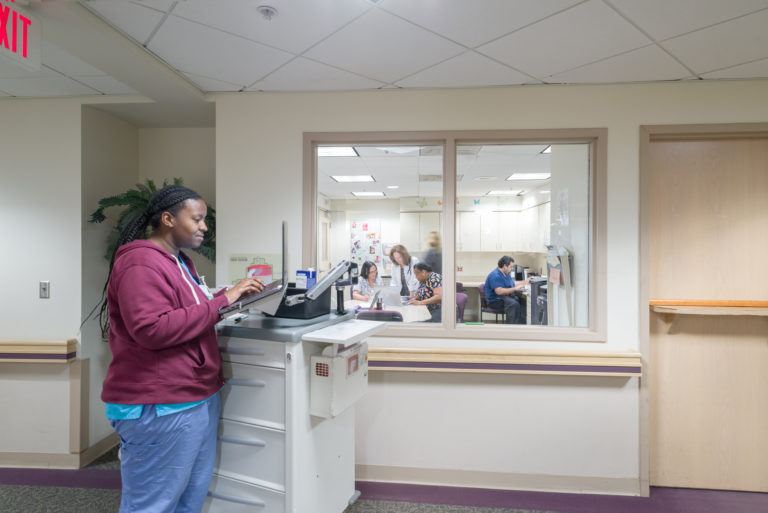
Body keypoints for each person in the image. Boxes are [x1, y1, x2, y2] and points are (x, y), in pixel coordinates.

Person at [98, 185, 265, 513]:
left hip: (192, 396)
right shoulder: (140, 262)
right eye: (197, 219)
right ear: (168, 219)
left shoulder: (178, 262)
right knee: (152, 505)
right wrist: (224, 301)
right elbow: (152, 329)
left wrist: (226, 299)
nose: (204, 227)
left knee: (189, 499)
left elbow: (188, 313)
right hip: (159, 403)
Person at [484, 255, 530, 324]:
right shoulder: (495, 275)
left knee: (521, 301)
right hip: (494, 300)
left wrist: (525, 282)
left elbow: (512, 283)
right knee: (513, 304)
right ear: (505, 266)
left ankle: (521, 326)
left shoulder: (506, 273)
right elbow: (499, 291)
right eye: (510, 267)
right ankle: (512, 328)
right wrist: (515, 289)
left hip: (502, 298)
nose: (511, 269)